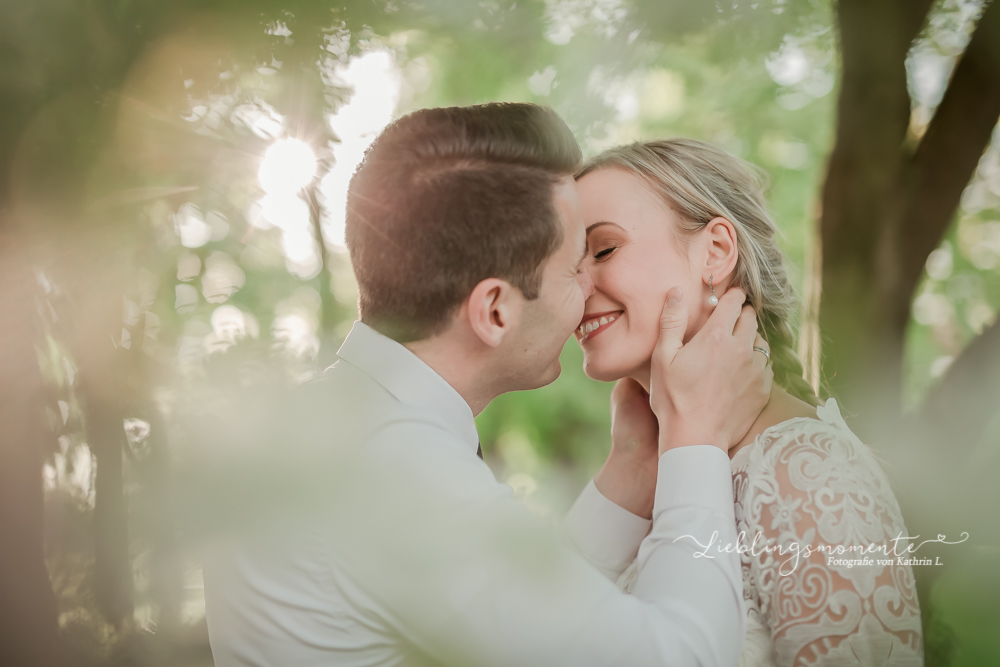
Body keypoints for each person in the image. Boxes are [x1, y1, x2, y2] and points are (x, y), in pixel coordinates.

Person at [202, 104, 773, 666]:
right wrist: (694, 436)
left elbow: (520, 618)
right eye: (578, 264)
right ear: (495, 311)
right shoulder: (395, 468)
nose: (589, 288)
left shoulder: (339, 422)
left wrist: (633, 466)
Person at [573, 138, 924, 666]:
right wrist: (633, 461)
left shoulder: (808, 475)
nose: (576, 287)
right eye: (568, 264)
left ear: (715, 251)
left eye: (602, 250)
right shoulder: (653, 471)